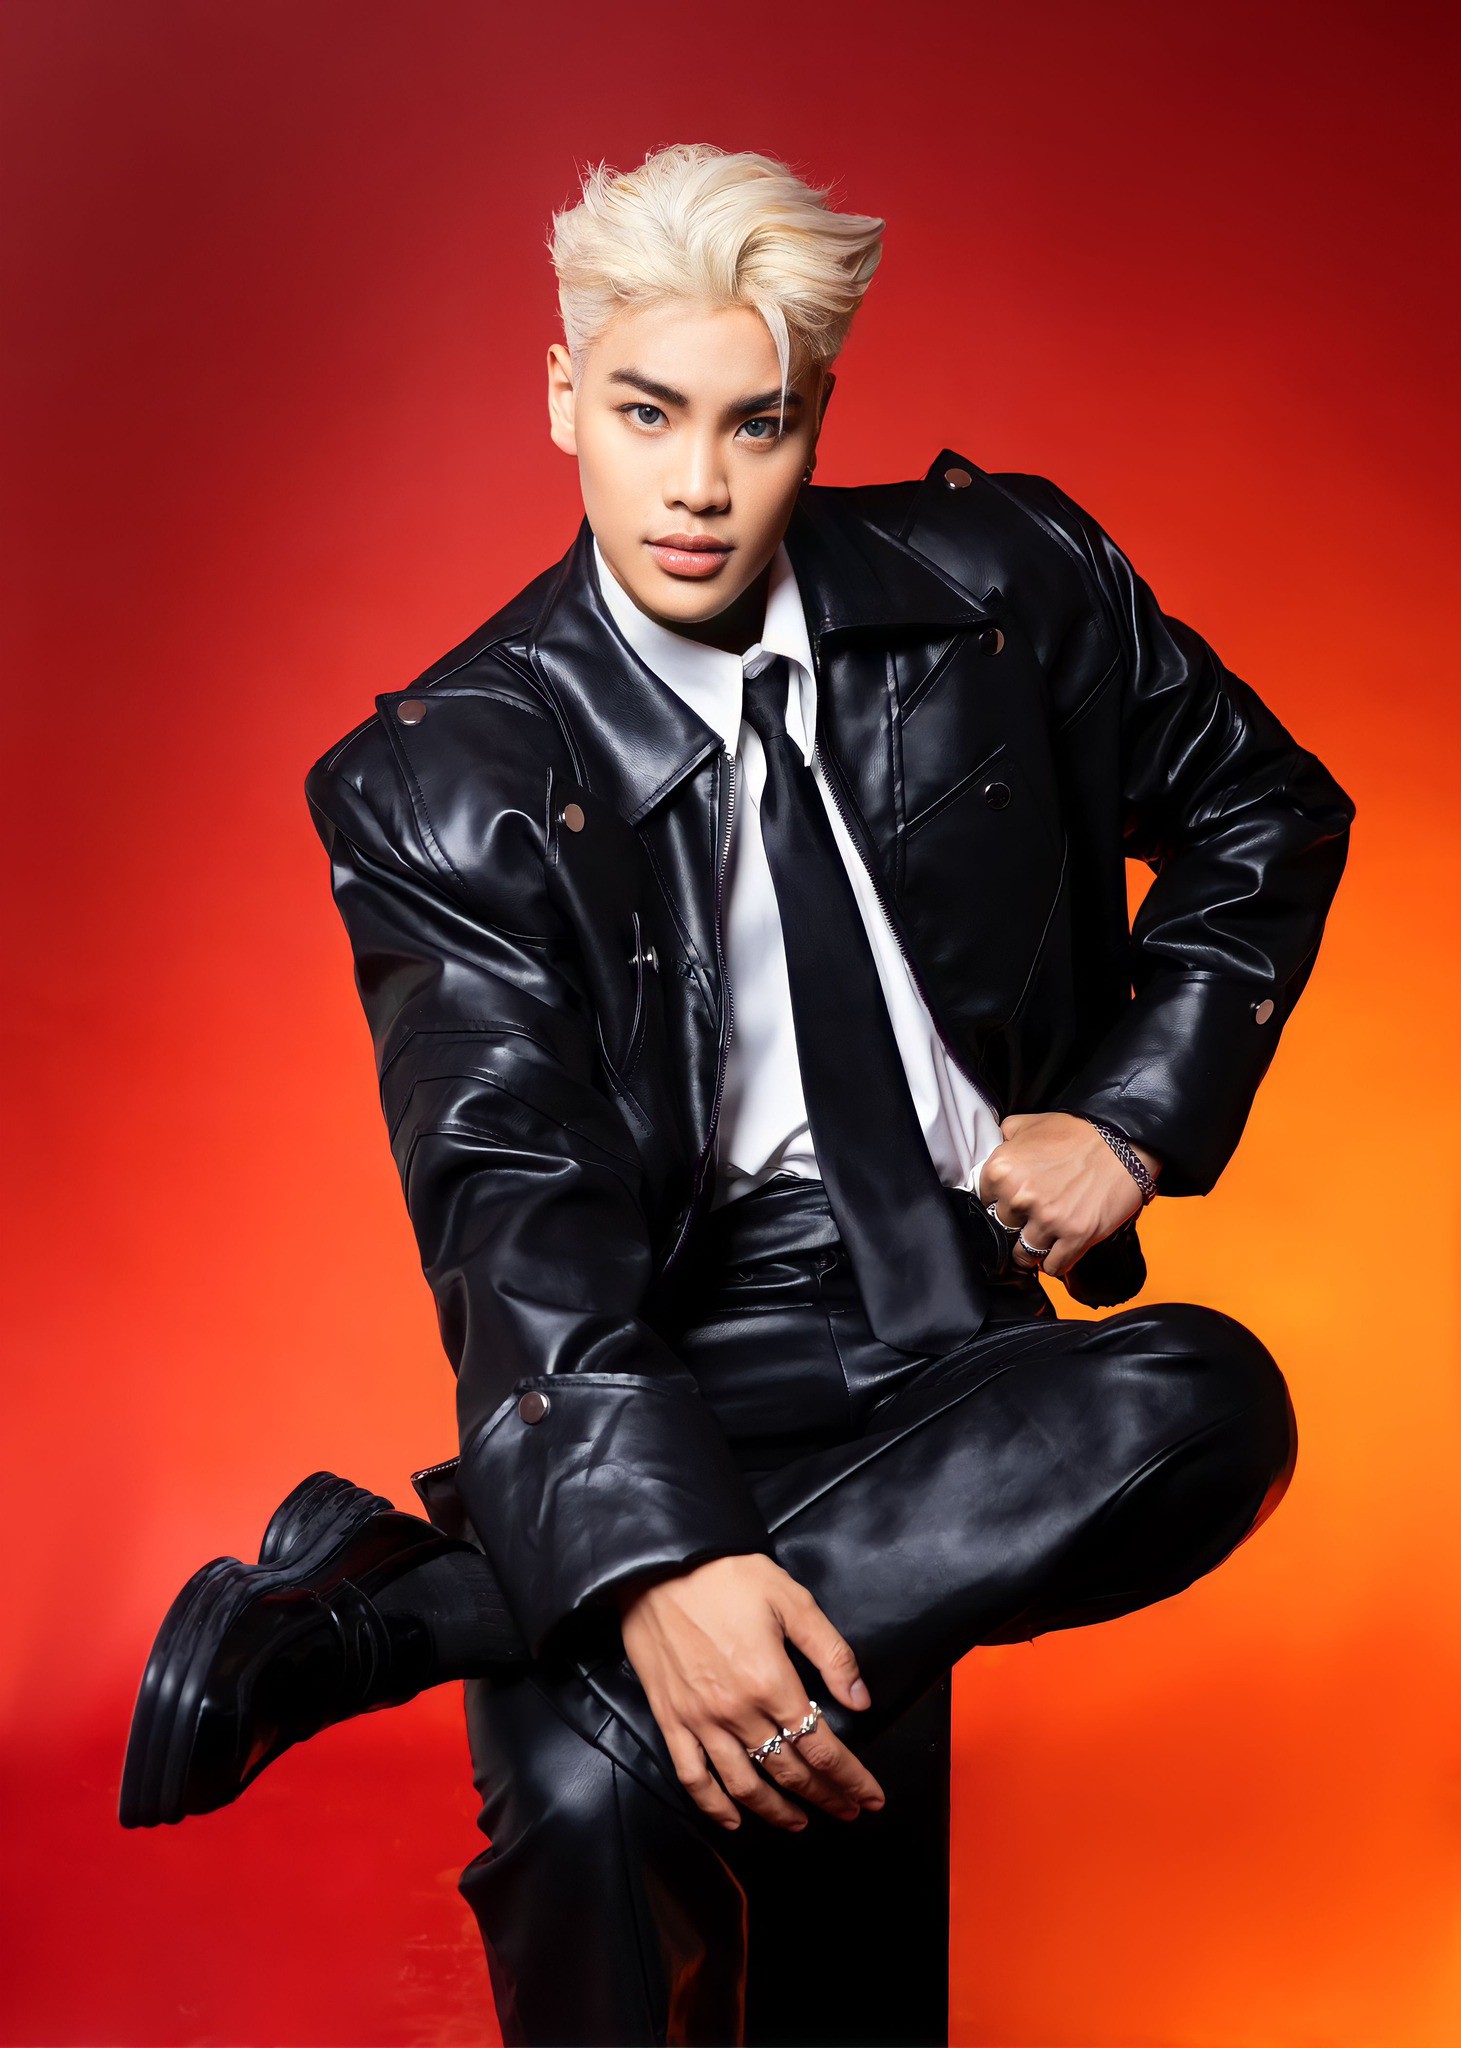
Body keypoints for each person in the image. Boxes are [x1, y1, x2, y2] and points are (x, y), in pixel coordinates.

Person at [119, 143, 1354, 2046]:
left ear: (816, 414)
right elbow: (509, 1197)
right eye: (645, 412)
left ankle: (421, 1606)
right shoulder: (446, 777)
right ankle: (548, 1617)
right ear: (563, 398)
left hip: (951, 1324)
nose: (696, 484)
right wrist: (661, 1551)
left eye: (752, 423)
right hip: (667, 1354)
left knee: (1206, 1400)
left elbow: (1264, 806)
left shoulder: (1003, 582)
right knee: (595, 1806)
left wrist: (1127, 1114)